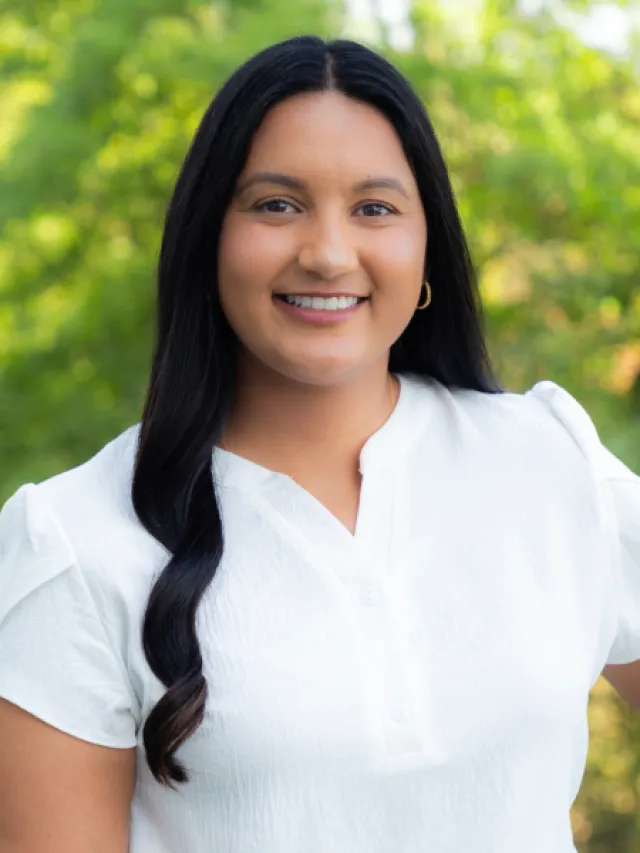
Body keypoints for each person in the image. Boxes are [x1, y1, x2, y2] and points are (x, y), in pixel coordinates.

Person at [0, 33, 639, 853]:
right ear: (208, 239)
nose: (328, 253)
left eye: (375, 208)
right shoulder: (73, 542)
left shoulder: (550, 458)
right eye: (276, 204)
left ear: (426, 245)